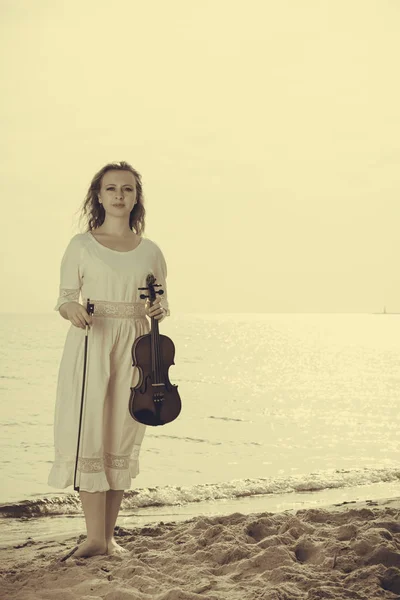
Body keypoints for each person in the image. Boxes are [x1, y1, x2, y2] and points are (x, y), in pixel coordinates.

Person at [48, 161, 170, 560]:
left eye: (128, 189)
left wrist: (157, 311)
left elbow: (160, 301)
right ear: (98, 196)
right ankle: (93, 537)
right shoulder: (81, 245)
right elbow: (66, 297)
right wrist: (73, 311)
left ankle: (108, 538)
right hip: (92, 341)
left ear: (136, 197)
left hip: (137, 349)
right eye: (112, 189)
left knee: (121, 436)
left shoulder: (150, 250)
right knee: (90, 434)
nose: (120, 195)